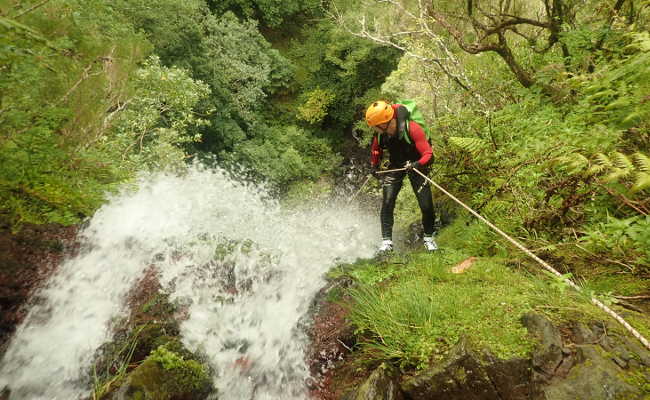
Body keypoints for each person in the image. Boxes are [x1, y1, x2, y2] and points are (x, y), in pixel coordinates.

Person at [366, 100, 438, 253]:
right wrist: (374, 165)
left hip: (417, 164)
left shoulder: (412, 128)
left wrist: (417, 164)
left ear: (384, 123)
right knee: (387, 201)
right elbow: (376, 149)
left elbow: (429, 154)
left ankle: (429, 238)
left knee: (426, 204)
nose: (375, 130)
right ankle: (386, 242)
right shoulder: (381, 134)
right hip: (396, 164)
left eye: (375, 126)